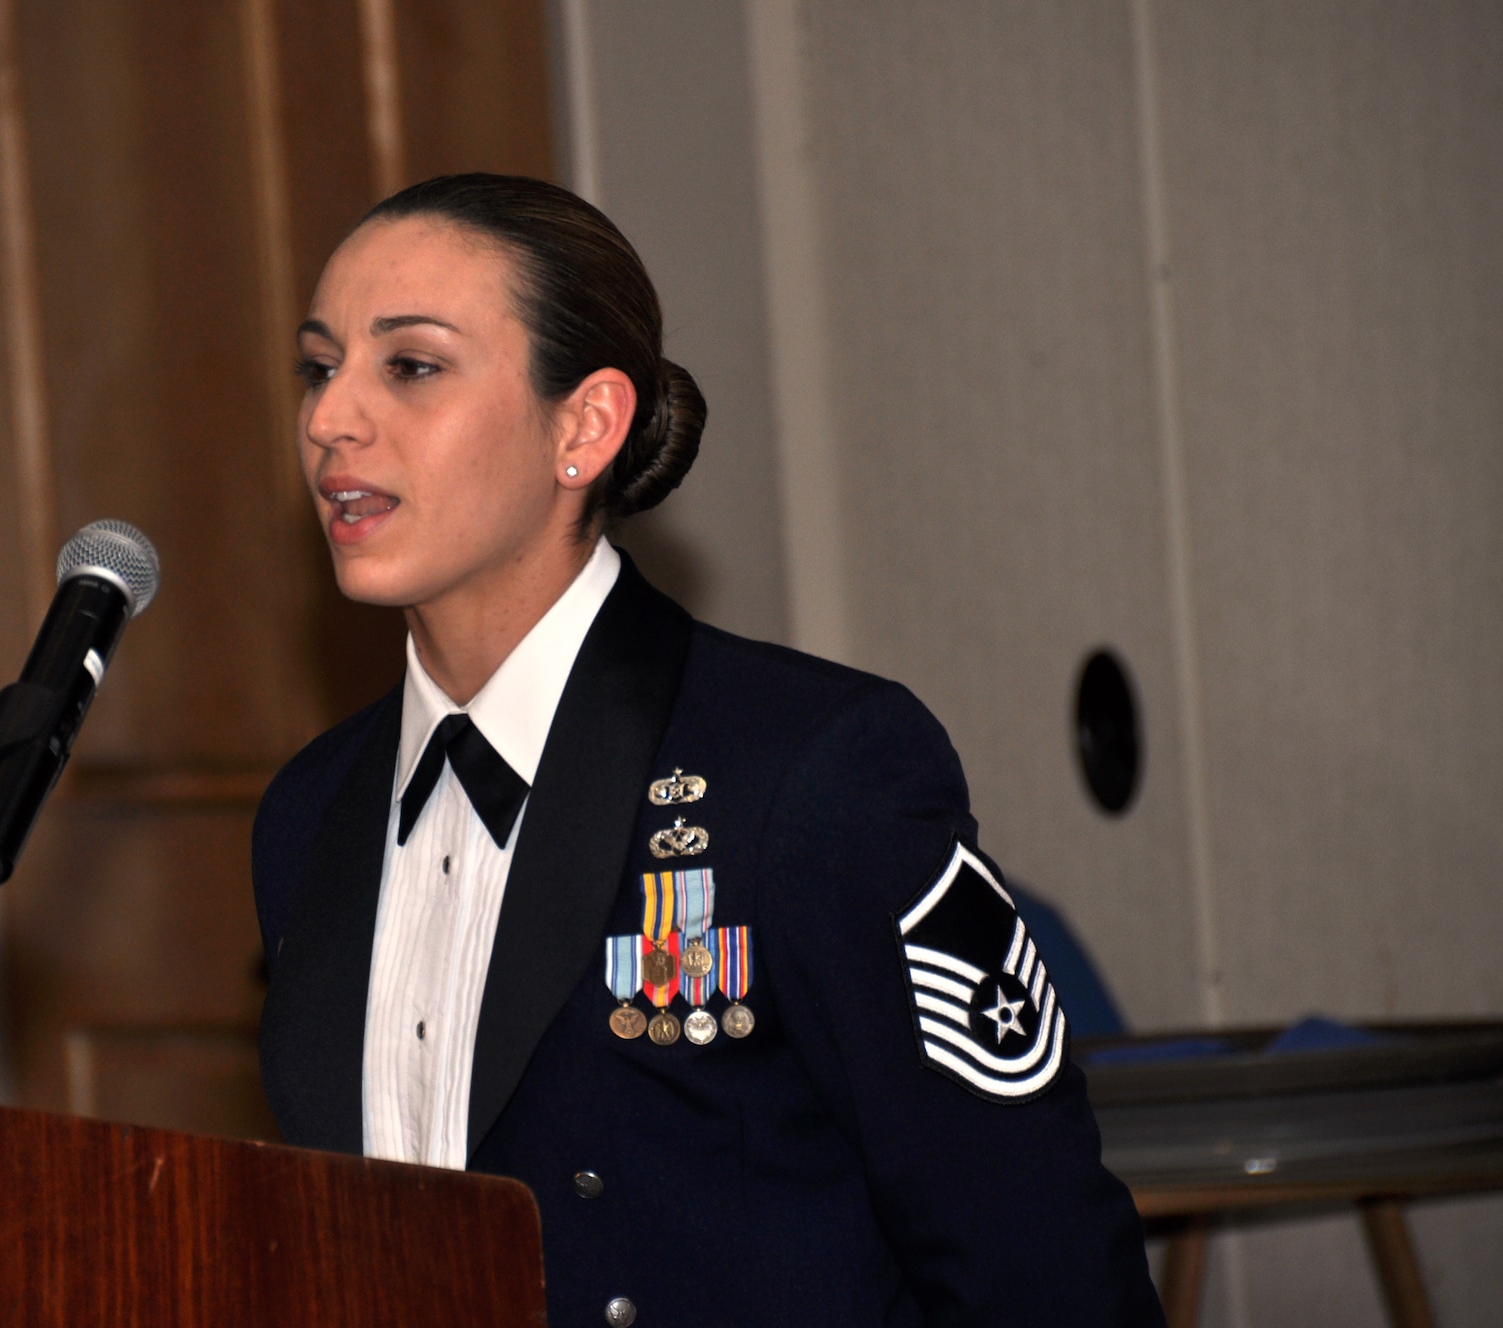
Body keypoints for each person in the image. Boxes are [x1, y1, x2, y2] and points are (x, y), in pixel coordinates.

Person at [254, 173, 1162, 1327]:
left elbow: (1036, 1266)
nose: (332, 415)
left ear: (582, 424)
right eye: (319, 364)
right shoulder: (307, 813)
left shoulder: (809, 767)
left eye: (411, 365)